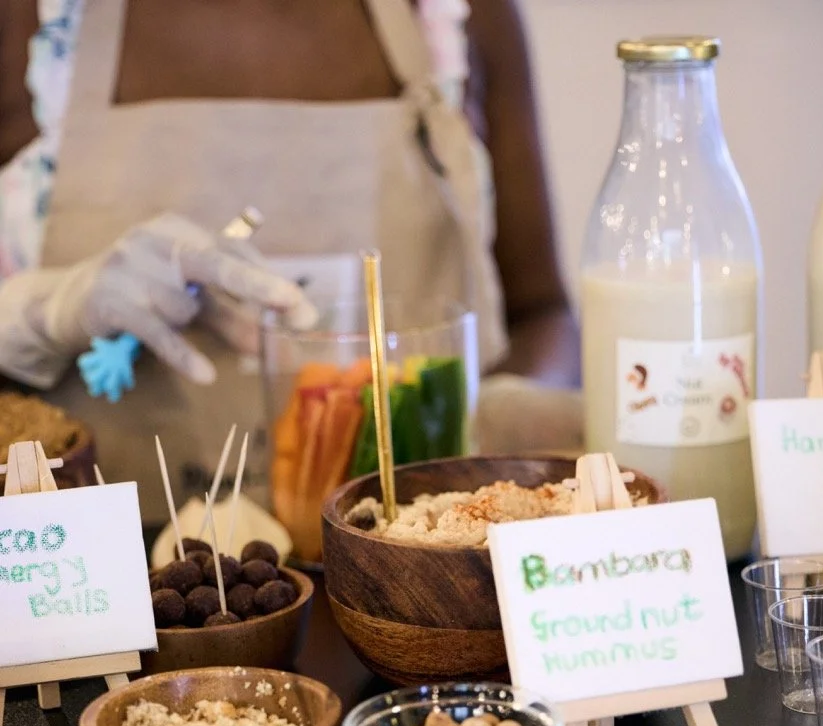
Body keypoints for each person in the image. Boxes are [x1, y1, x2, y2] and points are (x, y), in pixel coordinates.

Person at [0, 0, 580, 518]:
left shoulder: (457, 17)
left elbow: (542, 308)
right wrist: (41, 313)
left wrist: (504, 414)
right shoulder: (26, 22)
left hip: (419, 574)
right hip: (94, 592)